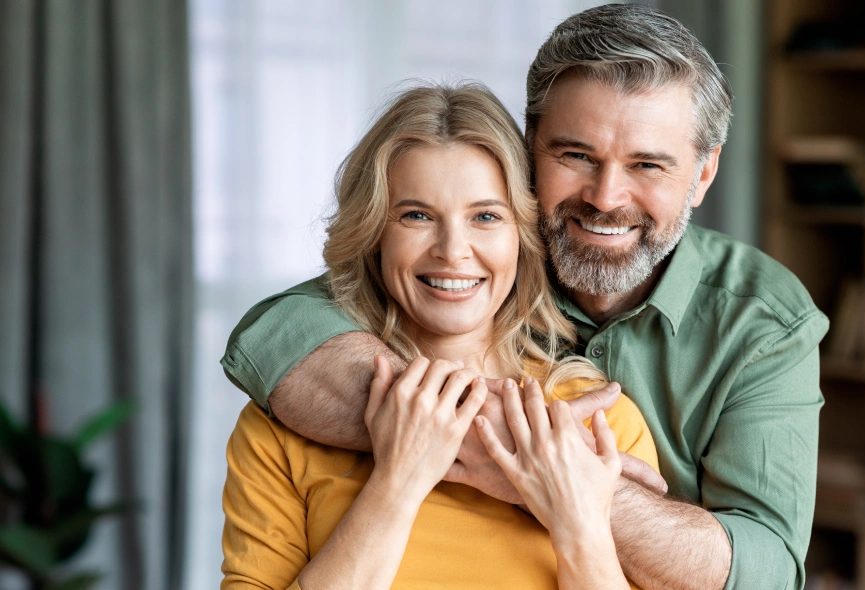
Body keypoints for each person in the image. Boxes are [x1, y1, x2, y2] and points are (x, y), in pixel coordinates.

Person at [222, 5, 828, 589]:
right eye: (575, 155)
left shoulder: (761, 322)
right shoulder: (478, 249)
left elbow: (765, 573)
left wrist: (573, 484)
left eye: (647, 164)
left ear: (702, 175)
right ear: (528, 148)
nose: (605, 197)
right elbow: (276, 333)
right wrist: (503, 441)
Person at [221, 83, 659, 589]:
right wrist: (396, 485)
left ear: (523, 234)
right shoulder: (284, 424)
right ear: (373, 236)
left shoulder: (597, 422)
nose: (453, 250)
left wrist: (578, 522)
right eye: (416, 215)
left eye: (486, 216)